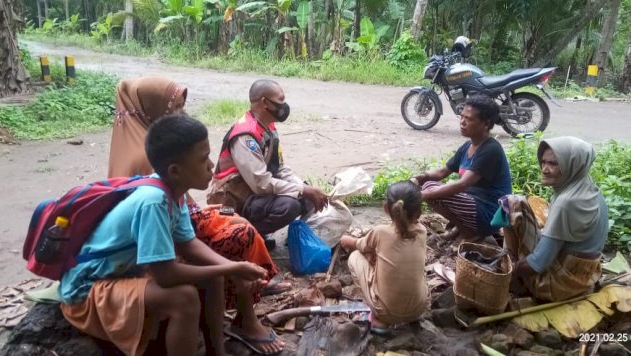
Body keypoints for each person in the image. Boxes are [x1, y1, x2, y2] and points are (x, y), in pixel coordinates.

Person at [59, 115, 280, 356]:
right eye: (202, 158)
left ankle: (217, 352)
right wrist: (230, 270)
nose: (210, 165)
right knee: (183, 299)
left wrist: (233, 267)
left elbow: (188, 243)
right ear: (175, 171)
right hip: (87, 290)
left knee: (213, 278)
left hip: (119, 274)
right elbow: (165, 275)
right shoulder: (154, 202)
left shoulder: (174, 192)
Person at [108, 77, 291, 303]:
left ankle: (253, 279)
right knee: (240, 231)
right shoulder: (149, 159)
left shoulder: (154, 148)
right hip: (157, 244)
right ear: (152, 109)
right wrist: (227, 267)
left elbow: (178, 205)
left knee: (233, 220)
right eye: (175, 108)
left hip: (177, 224)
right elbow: (161, 229)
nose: (183, 114)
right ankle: (252, 285)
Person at [207, 79, 329, 246]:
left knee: (305, 197)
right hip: (230, 204)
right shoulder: (245, 136)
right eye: (280, 100)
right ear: (265, 102)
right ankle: (245, 237)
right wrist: (303, 189)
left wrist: (304, 188)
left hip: (251, 193)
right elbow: (261, 183)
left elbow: (279, 168)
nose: (284, 106)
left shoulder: (267, 127)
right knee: (289, 205)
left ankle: (277, 236)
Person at [495, 136, 607, 302]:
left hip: (559, 285)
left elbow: (538, 263)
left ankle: (514, 275)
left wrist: (508, 272)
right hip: (585, 276)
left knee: (512, 204)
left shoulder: (566, 203)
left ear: (572, 165)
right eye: (544, 162)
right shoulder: (588, 188)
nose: (545, 169)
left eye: (553, 164)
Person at [412, 95, 512, 242]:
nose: (462, 122)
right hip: (475, 204)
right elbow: (442, 172)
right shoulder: (468, 146)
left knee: (432, 191)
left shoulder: (491, 149)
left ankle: (471, 233)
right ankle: (461, 229)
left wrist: (422, 196)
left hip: (491, 212)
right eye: (461, 117)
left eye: (469, 119)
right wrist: (418, 178)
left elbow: (462, 184)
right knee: (428, 185)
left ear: (486, 123)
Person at [339, 181, 429, 335]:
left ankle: (379, 319)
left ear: (386, 208)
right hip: (419, 308)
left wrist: (345, 240)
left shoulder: (380, 232)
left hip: (387, 312)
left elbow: (359, 245)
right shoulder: (422, 231)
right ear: (419, 213)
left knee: (355, 257)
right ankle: (406, 312)